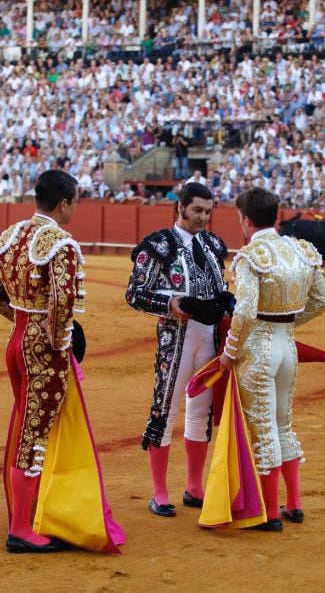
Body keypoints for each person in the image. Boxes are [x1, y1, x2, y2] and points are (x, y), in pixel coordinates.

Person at [0, 170, 124, 553]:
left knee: (26, 429)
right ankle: (20, 530)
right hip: (43, 350)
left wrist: (24, 324)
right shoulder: (60, 243)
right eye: (75, 202)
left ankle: (29, 515)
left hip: (15, 343)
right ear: (64, 203)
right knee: (34, 434)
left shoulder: (10, 236)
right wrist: (59, 339)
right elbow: (62, 303)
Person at [220, 188, 325, 531]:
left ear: (247, 220)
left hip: (258, 350)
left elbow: (245, 311)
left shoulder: (251, 255)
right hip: (288, 347)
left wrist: (229, 352)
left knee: (263, 429)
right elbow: (321, 301)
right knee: (283, 423)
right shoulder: (301, 250)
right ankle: (293, 504)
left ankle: (268, 513)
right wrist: (287, 322)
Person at [125, 182, 228, 517]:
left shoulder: (214, 244)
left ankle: (194, 488)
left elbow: (219, 287)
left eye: (208, 211)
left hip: (209, 338)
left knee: (200, 411)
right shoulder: (158, 245)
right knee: (165, 411)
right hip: (176, 337)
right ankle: (159, 492)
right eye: (197, 210)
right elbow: (134, 293)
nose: (203, 217)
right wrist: (171, 303)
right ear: (179, 206)